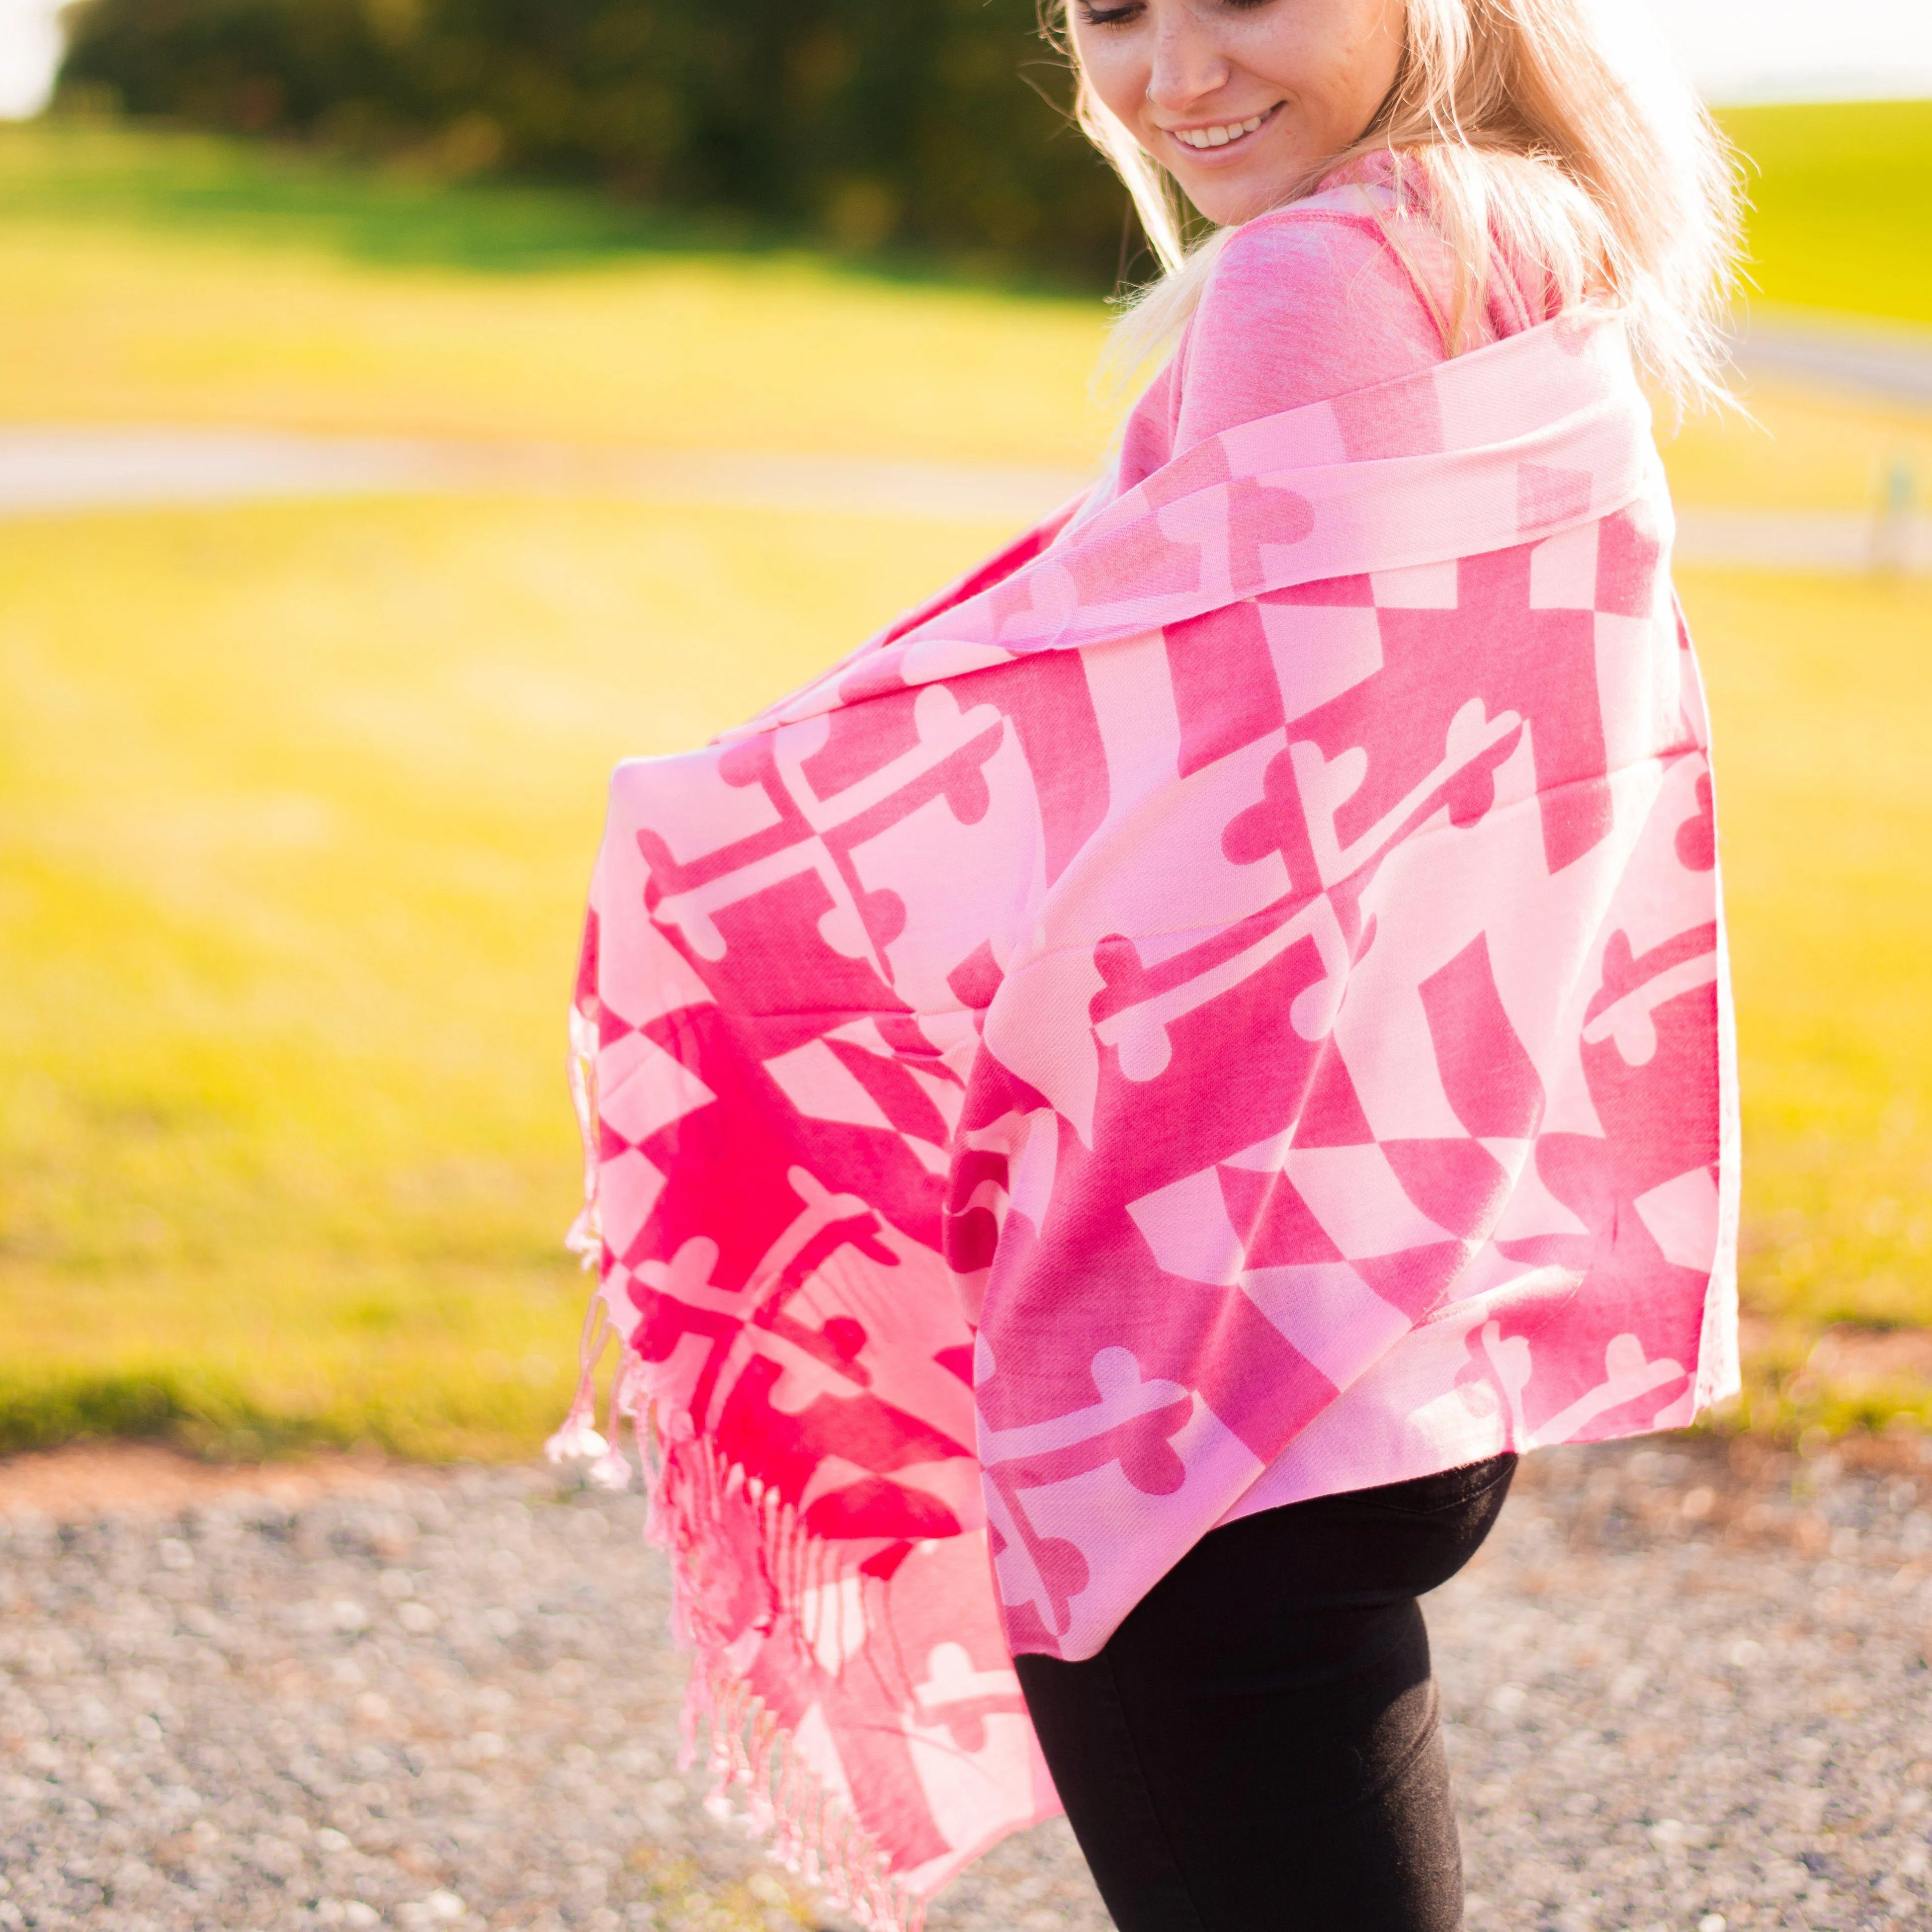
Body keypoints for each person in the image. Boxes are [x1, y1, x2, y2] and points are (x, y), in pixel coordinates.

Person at [554, 3, 1744, 1929]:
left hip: (1205, 1347)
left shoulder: (1310, 280)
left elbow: (1148, 774)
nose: (1175, 70)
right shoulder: (1510, 238)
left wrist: (703, 829)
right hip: (1393, 1286)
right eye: (1113, 7)